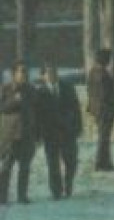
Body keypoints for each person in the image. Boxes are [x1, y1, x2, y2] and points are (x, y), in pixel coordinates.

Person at [35, 64, 83, 199]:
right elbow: (37, 115)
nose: (52, 75)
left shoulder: (67, 88)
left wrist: (78, 127)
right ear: (43, 76)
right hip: (50, 134)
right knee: (53, 163)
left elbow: (76, 108)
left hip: (68, 132)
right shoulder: (40, 93)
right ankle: (56, 191)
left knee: (71, 162)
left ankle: (68, 185)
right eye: (48, 73)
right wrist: (38, 134)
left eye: (54, 72)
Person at [0, 61, 38, 205]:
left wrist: (37, 134)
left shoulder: (31, 90)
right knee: (6, 168)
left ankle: (22, 196)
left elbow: (37, 111)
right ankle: (2, 197)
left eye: (26, 72)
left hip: (27, 135)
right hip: (10, 136)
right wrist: (14, 100)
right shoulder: (5, 89)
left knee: (25, 168)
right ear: (14, 73)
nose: (24, 75)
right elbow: (2, 108)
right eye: (21, 71)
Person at [86, 48, 114, 171]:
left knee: (103, 136)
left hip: (96, 109)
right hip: (105, 110)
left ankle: (105, 161)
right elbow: (105, 94)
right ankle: (101, 162)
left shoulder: (92, 72)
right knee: (104, 137)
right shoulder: (103, 74)